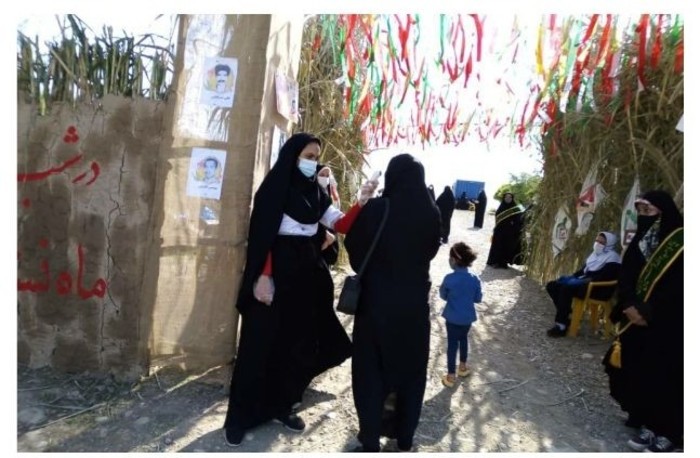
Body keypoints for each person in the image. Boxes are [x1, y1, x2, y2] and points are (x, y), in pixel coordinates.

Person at [222, 133, 379, 447]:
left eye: (316, 157)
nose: (313, 162)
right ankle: (239, 418)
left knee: (295, 345)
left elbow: (340, 224)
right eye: (308, 156)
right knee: (259, 344)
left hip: (306, 277)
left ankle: (282, 406)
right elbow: (264, 236)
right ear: (292, 156)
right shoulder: (274, 188)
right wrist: (264, 276)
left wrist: (361, 201)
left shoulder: (315, 192)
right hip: (275, 275)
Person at [344, 153, 441, 452]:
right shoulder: (431, 213)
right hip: (414, 306)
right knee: (411, 372)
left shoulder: (377, 209)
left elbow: (354, 247)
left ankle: (370, 439)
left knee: (371, 371)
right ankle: (405, 436)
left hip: (376, 304)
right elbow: (431, 251)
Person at [603, 190, 683, 453]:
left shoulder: (681, 243)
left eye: (648, 211)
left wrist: (647, 311)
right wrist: (628, 304)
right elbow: (626, 274)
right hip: (633, 318)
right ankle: (646, 420)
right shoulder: (640, 240)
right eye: (640, 211)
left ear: (663, 212)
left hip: (666, 322)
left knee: (665, 375)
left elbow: (679, 286)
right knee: (638, 370)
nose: (643, 216)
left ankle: (669, 431)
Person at [545, 231, 622, 337]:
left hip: (598, 289)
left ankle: (561, 325)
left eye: (601, 242)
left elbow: (604, 277)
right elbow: (583, 271)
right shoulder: (595, 255)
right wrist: (572, 278)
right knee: (552, 285)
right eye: (597, 241)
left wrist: (581, 281)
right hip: (585, 283)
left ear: (609, 244)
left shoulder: (613, 258)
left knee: (566, 288)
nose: (597, 244)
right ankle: (567, 314)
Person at [438, 242, 482, 388]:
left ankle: (450, 376)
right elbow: (478, 298)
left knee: (452, 345)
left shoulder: (449, 278)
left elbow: (443, 295)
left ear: (453, 260)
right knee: (463, 340)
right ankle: (462, 367)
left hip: (452, 318)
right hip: (467, 318)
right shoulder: (475, 278)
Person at [486, 192, 525, 268]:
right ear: (504, 198)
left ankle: (503, 263)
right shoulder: (501, 207)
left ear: (512, 199)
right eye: (506, 197)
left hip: (510, 232)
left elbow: (519, 220)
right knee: (497, 246)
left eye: (510, 197)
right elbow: (498, 219)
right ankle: (495, 262)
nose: (508, 199)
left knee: (507, 247)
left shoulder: (515, 209)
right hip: (499, 231)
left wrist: (513, 224)